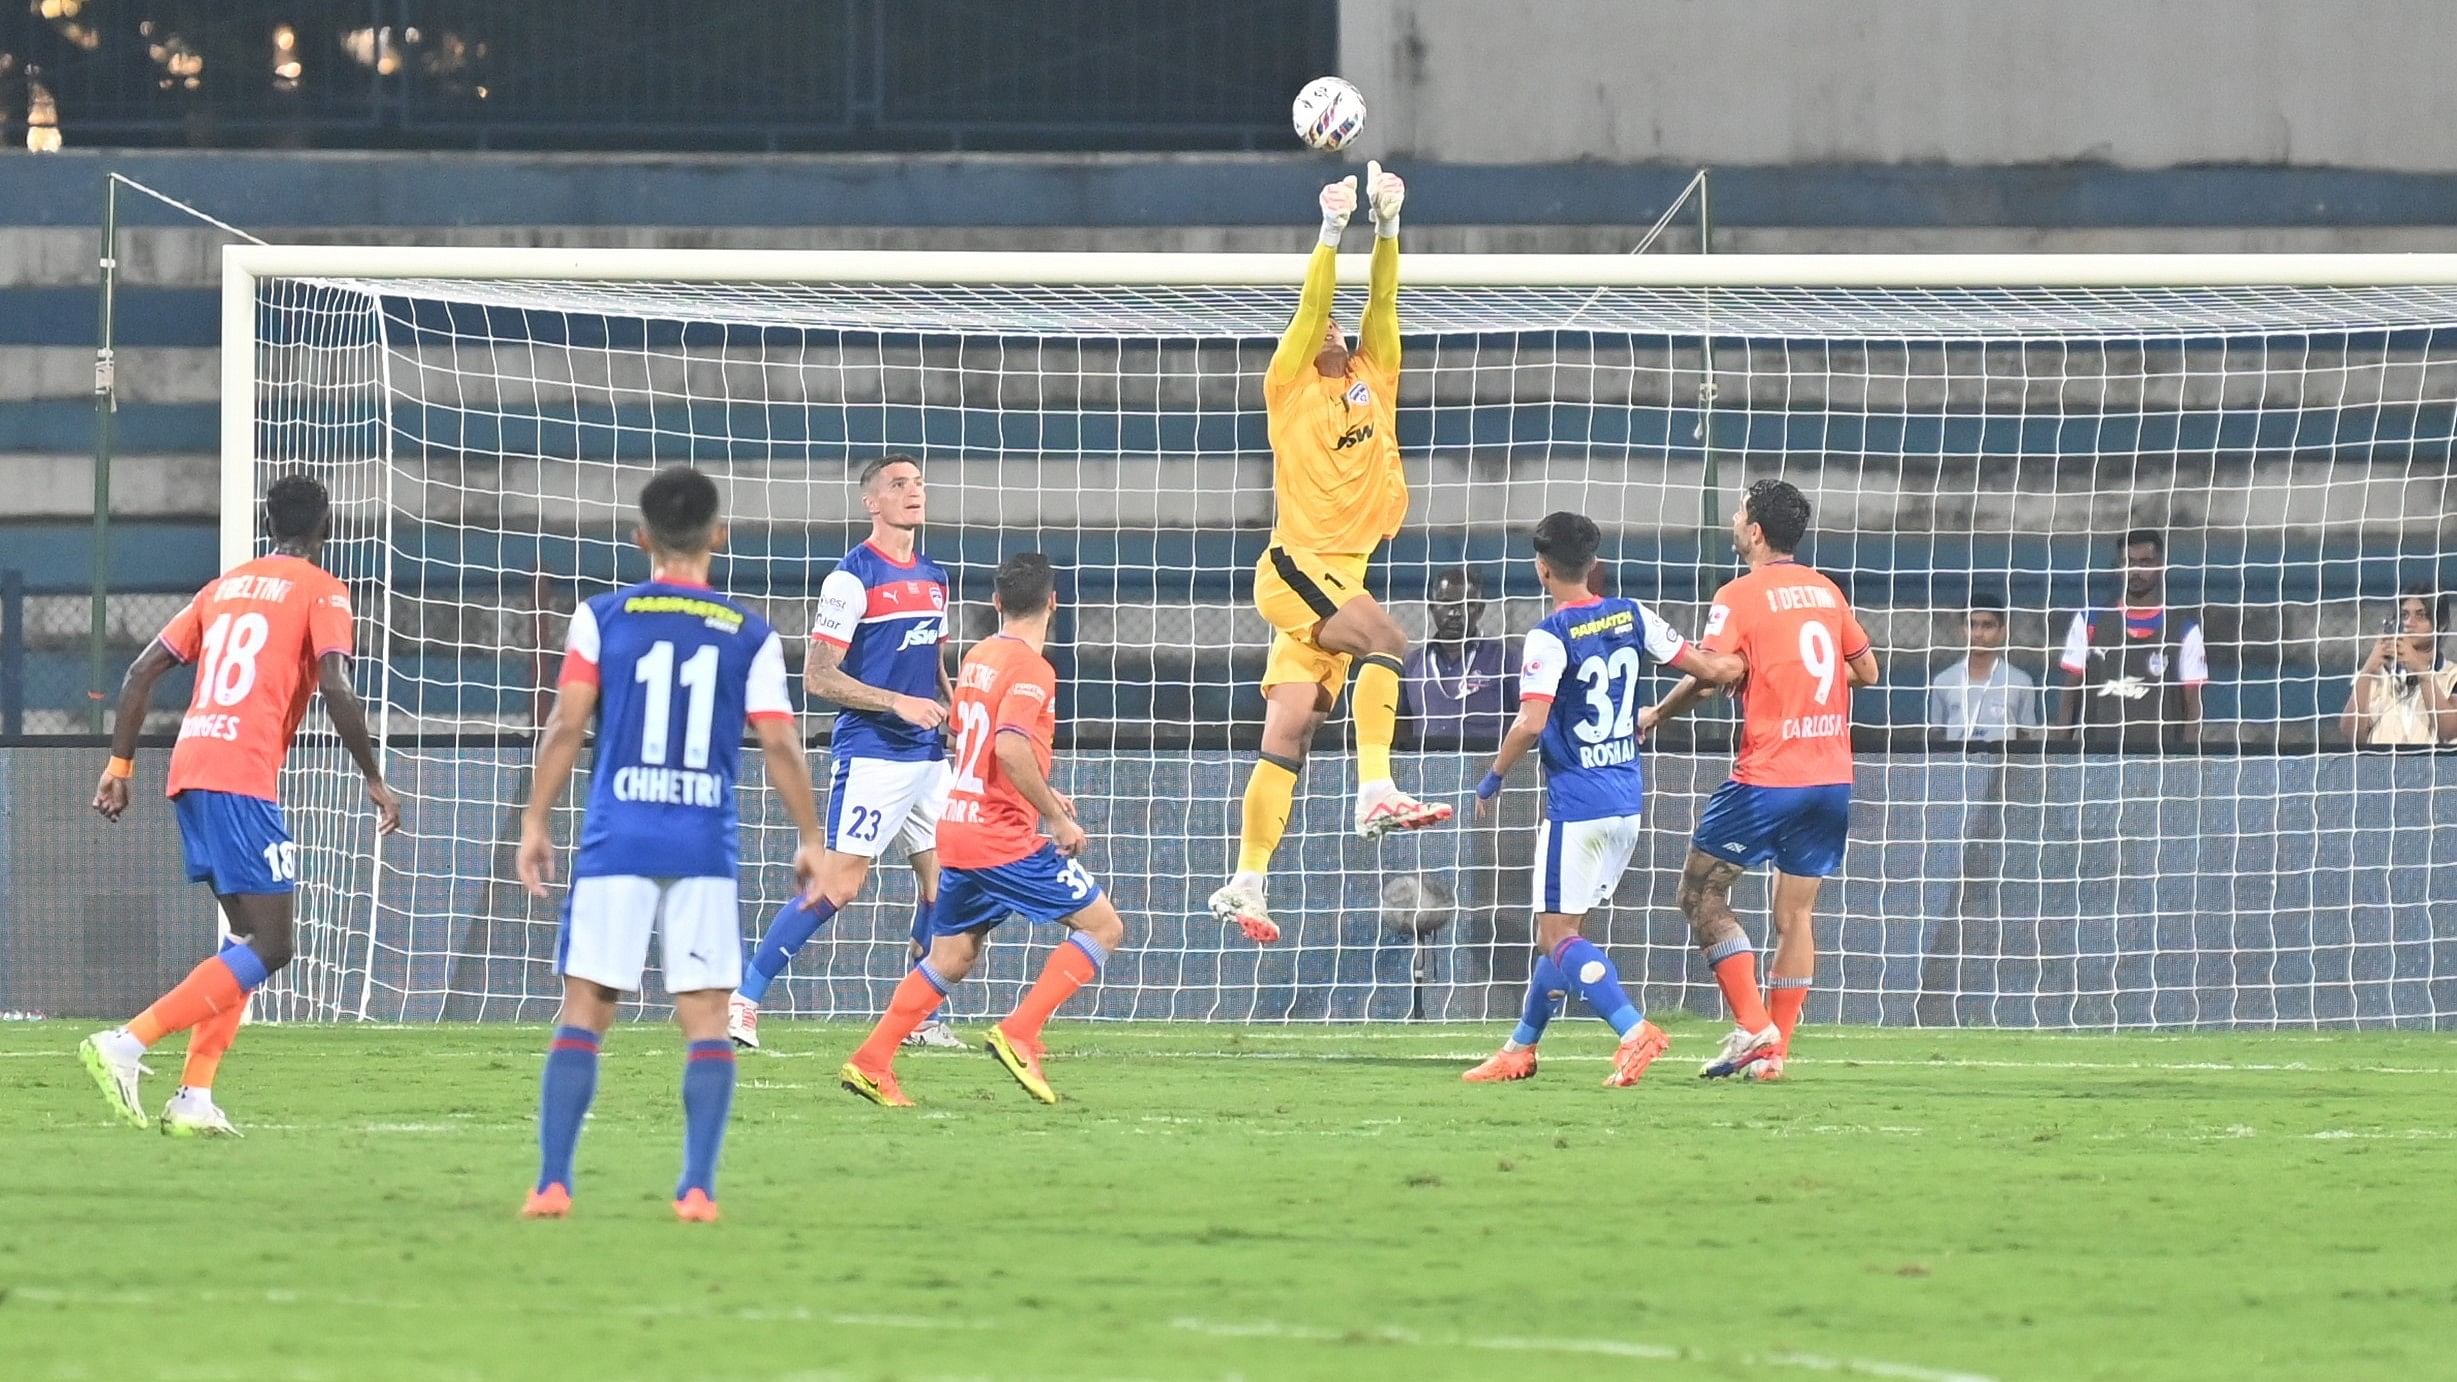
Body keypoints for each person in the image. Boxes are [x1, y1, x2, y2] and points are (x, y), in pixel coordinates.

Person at [514, 465, 825, 1223]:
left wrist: (535, 819)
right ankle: (696, 1189)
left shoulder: (602, 617)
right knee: (706, 1017)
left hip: (617, 834)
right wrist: (812, 836)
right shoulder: (748, 630)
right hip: (701, 843)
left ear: (641, 538)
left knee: (586, 1004)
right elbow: (780, 742)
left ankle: (553, 1182)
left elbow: (566, 722)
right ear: (719, 536)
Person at [80, 473, 402, 1137]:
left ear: (265, 520)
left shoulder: (221, 588)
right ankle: (128, 1042)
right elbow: (335, 686)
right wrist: (372, 774)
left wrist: (119, 766)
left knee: (245, 938)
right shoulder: (322, 590)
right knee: (275, 943)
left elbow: (141, 672)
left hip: (192, 767)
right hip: (240, 775)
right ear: (327, 527)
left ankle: (194, 1097)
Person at [1208, 164, 1451, 946]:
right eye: (1324, 329)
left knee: (1289, 734)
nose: (1336, 331)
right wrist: (1328, 230)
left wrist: (1386, 226)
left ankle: (1246, 881)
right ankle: (1375, 787)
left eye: (1341, 330)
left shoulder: (1374, 376)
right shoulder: (1289, 387)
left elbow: (1383, 301)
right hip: (1295, 569)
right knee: (1387, 641)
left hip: (1333, 580)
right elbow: (1315, 301)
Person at [1459, 514, 1742, 1086]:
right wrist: (1740, 663)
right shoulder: (1632, 614)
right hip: (1625, 801)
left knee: (1559, 936)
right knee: (1561, 938)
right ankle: (1520, 1048)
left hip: (1576, 806)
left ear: (1542, 568)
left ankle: (1634, 1030)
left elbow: (1531, 723)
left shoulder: (1548, 636)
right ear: (1593, 563)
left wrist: (1494, 776)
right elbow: (1709, 669)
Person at [839, 554, 1128, 1108]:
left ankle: (871, 1061)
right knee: (1102, 925)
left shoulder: (979, 656)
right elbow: (1010, 746)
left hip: (959, 826)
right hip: (1000, 837)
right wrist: (1055, 815)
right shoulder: (1033, 669)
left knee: (950, 957)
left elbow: (971, 742)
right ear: (1053, 604)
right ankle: (1021, 1031)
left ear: (996, 603)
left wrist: (1038, 790)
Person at [1643, 479, 1879, 1083]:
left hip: (1768, 776)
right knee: (1794, 916)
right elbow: (1867, 670)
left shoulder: (1739, 594)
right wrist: (1793, 679)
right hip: (1830, 776)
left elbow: (1711, 672)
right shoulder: (1826, 590)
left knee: (1699, 896)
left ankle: (1754, 1027)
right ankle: (1775, 1055)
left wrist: (1655, 714)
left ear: (1754, 532)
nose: (1733, 516)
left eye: (1739, 510)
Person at [729, 454, 959, 1051]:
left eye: (918, 484)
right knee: (838, 886)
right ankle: (744, 1000)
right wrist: (896, 703)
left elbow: (929, 656)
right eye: (899, 485)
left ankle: (919, 1019)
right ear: (871, 501)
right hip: (876, 751)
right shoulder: (851, 577)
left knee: (947, 884)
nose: (914, 493)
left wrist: (951, 701)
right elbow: (818, 677)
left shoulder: (935, 577)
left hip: (930, 754)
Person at [2055, 528, 2207, 748]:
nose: (2136, 570)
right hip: (2100, 761)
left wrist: (2188, 765)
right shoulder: (2090, 620)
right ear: (2119, 566)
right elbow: (2070, 696)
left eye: (2145, 562)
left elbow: (2194, 707)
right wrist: (2058, 756)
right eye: (2129, 562)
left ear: (2161, 564)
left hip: (2162, 764)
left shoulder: (2184, 629)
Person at [1402, 566, 1517, 751]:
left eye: (1466, 604)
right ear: (1432, 607)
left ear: (1480, 609)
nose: (1455, 613)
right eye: (1446, 603)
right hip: (1429, 772)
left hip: (1488, 772)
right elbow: (1402, 728)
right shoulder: (1412, 664)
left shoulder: (1506, 659)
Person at [2339, 583, 2457, 746]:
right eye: (2404, 615)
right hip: (2379, 769)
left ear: (2440, 624)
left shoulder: (2452, 675)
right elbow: (2351, 735)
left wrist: (2420, 671)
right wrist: (2367, 671)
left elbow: (2450, 731)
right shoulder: (2379, 674)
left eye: (2421, 615)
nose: (2409, 623)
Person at [1927, 593, 2039, 743]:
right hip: (1957, 765)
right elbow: (1937, 734)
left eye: (1987, 626)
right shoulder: (1943, 681)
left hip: (2002, 765)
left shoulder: (2020, 682)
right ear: (1963, 630)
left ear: (2002, 631)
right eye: (1972, 625)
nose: (1979, 633)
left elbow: (2026, 736)